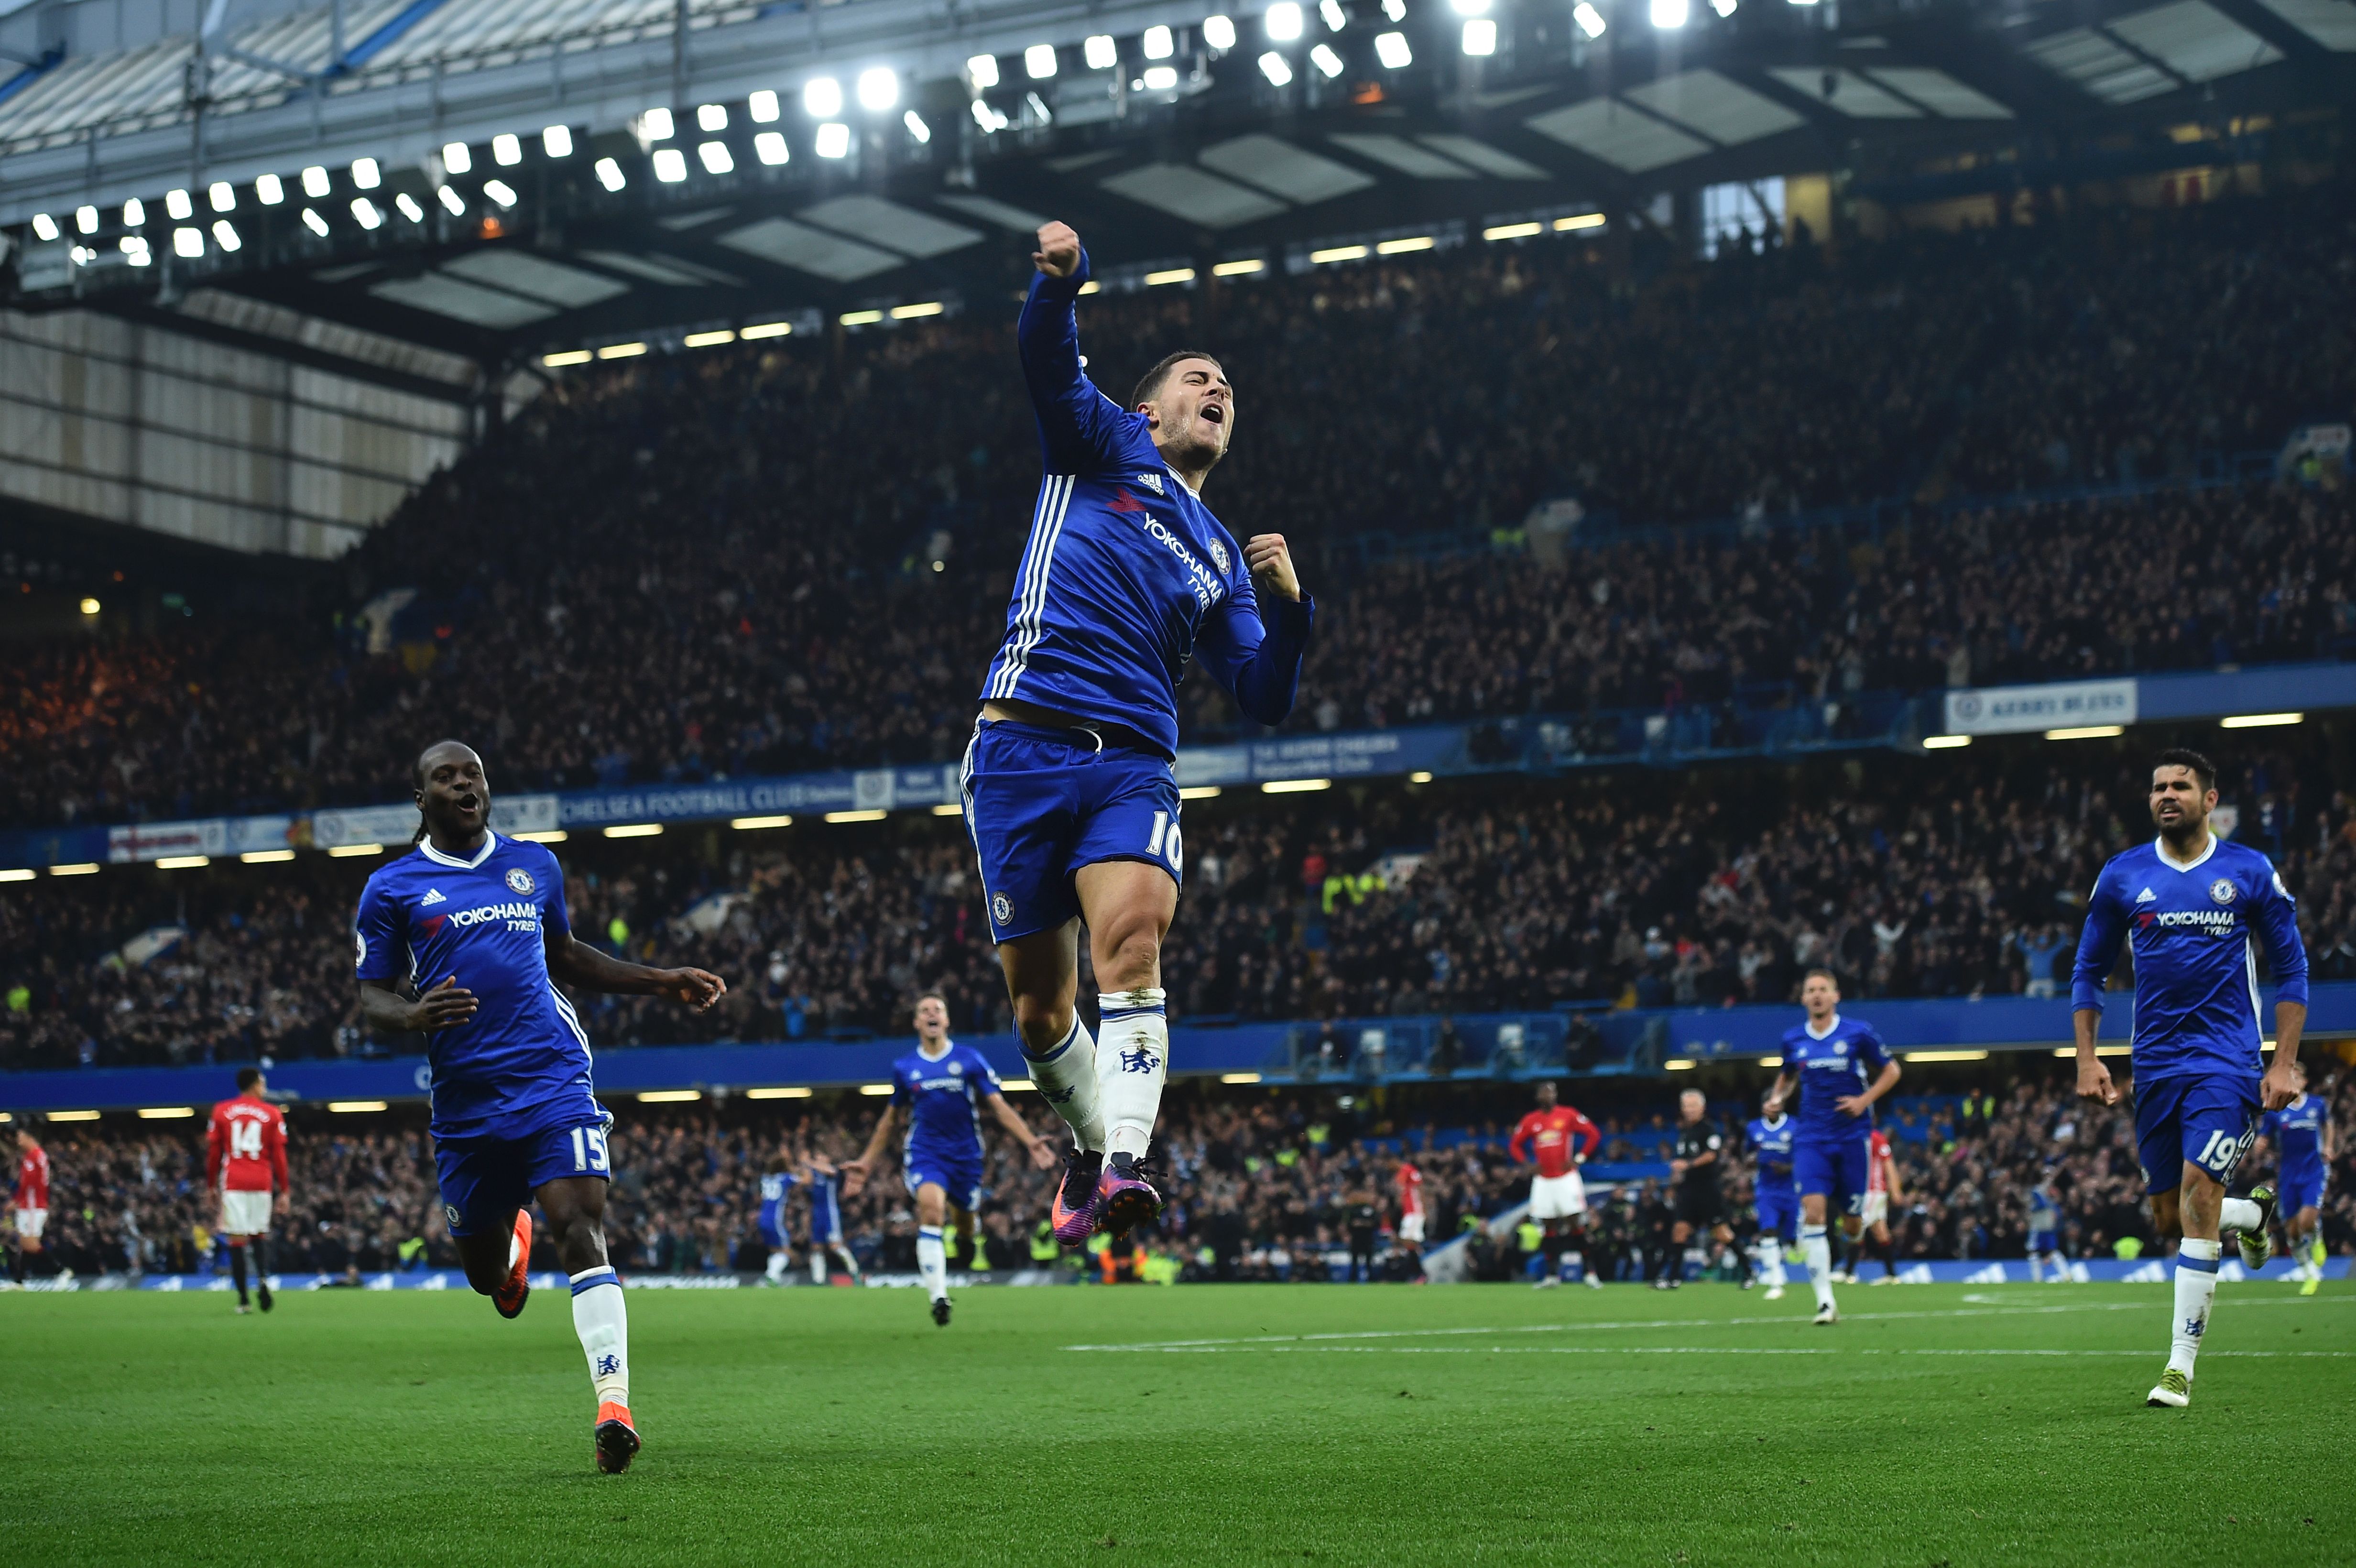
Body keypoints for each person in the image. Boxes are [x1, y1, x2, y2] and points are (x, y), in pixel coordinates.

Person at [963, 219, 1315, 1247]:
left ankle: (1126, 1159)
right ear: (1150, 410)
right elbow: (1045, 360)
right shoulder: (1102, 443)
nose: (1220, 391)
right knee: (1040, 1013)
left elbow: (1262, 694)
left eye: (1229, 390)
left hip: (1131, 766)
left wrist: (1293, 612)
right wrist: (1062, 285)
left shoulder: (1220, 555)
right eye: (1200, 380)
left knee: (1133, 946)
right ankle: (1091, 1149)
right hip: (1019, 746)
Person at [355, 740, 728, 1473]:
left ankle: (614, 1406)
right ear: (422, 800)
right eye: (446, 778)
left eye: (473, 774)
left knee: (583, 1228)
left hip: (550, 1078)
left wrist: (660, 980)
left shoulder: (534, 866)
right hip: (466, 1104)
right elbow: (372, 994)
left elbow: (568, 956)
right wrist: (413, 1014)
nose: (464, 784)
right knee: (486, 1276)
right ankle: (512, 1250)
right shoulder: (392, 888)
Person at [2070, 747, 2308, 1408]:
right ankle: (2252, 1214)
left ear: (2210, 799)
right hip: (2154, 1064)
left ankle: (2178, 1367)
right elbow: (2088, 970)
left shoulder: (2248, 871)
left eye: (2180, 785)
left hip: (2226, 1061)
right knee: (2168, 1215)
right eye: (2158, 787)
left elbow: (2292, 969)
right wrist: (2087, 1057)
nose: (2166, 795)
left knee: (2198, 1196)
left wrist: (2281, 1062)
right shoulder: (2123, 875)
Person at [841, 993, 1058, 1325]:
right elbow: (890, 1120)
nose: (932, 1014)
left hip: (966, 1157)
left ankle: (966, 1239)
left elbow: (998, 1106)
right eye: (925, 1010)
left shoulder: (969, 1059)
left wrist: (1030, 1141)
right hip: (926, 1153)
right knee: (931, 1211)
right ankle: (939, 1297)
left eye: (938, 1010)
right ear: (917, 1022)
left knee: (965, 1220)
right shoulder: (905, 1067)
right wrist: (867, 1162)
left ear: (947, 1020)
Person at [1764, 968, 1901, 1325]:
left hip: (1852, 1137)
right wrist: (1778, 1098)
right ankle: (1825, 1303)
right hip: (1811, 1137)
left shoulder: (1858, 1032)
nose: (1817, 995)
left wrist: (1864, 1101)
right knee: (1813, 1214)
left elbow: (1892, 1071)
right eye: (1811, 990)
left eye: (1823, 989)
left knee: (1853, 1224)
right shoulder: (1793, 1039)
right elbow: (1788, 1075)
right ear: (1803, 998)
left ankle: (1850, 1240)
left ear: (1836, 996)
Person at [205, 1067, 289, 1314]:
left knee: (237, 1240)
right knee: (259, 1234)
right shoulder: (272, 1113)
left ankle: (243, 1300)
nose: (264, 1088)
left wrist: (210, 1186)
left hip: (234, 1182)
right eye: (262, 1083)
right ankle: (262, 1278)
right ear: (254, 1085)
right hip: (261, 1181)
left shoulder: (222, 1110)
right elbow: (279, 1156)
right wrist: (285, 1190)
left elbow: (214, 1154)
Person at [1508, 1081, 1602, 1288]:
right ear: (1538, 1097)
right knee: (1547, 1225)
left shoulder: (1568, 1115)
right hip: (1543, 1180)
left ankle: (1590, 1272)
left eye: (1552, 1092)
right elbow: (1515, 1145)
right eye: (1545, 1092)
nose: (1549, 1096)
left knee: (1575, 1222)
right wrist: (1527, 1165)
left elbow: (1593, 1134)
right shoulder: (1531, 1120)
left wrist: (1579, 1158)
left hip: (1566, 1178)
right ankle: (1552, 1275)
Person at [2254, 1060, 2333, 1296]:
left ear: (2304, 1081)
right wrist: (2260, 1144)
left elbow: (2328, 1124)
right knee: (2293, 1231)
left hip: (2314, 1171)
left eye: (2297, 1076)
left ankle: (2316, 1238)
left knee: (2307, 1221)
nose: (2293, 1080)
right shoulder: (2277, 1111)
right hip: (2288, 1174)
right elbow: (2265, 1136)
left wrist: (2328, 1146)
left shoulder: (2317, 1105)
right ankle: (2309, 1272)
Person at [1660, 1089, 1736, 1289]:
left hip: (1708, 1188)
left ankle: (1748, 1269)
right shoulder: (1684, 1132)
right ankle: (1673, 1278)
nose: (1689, 1110)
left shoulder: (1708, 1129)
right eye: (1686, 1106)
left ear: (1702, 1108)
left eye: (1693, 1106)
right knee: (1679, 1231)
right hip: (1688, 1189)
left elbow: (1712, 1155)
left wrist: (1689, 1165)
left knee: (1721, 1233)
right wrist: (1677, 1176)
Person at [1744, 1095, 1797, 1300]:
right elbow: (1747, 1153)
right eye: (1769, 1104)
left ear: (1782, 1105)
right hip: (1766, 1190)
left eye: (1776, 1104)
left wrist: (1788, 1168)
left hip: (1792, 1190)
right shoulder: (1754, 1128)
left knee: (1792, 1238)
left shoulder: (1794, 1126)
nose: (1772, 1108)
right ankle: (1775, 1279)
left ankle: (1798, 1268)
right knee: (1768, 1230)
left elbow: (1805, 1156)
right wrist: (1751, 1160)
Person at [1855, 1127, 1904, 1284]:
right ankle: (1892, 1275)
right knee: (1881, 1232)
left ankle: (1848, 1272)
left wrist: (1895, 1190)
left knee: (1857, 1227)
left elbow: (1889, 1164)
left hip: (1873, 1191)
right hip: (1866, 1191)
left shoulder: (1876, 1138)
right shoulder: (1855, 1136)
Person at [803, 1153, 859, 1284]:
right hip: (817, 1215)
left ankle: (855, 1272)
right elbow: (805, 1181)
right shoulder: (814, 1174)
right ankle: (819, 1280)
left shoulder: (832, 1171)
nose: (819, 1158)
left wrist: (809, 1162)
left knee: (836, 1246)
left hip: (830, 1214)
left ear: (828, 1158)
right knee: (817, 1247)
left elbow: (831, 1171)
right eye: (817, 1156)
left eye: (821, 1156)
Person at [10, 1127, 48, 1285]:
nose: (18, 1142)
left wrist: (15, 1201)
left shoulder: (34, 1157)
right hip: (32, 1205)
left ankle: (61, 1270)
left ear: (30, 1138)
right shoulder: (39, 1156)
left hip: (32, 1206)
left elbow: (28, 1184)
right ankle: (19, 1281)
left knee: (30, 1244)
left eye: (21, 1138)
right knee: (25, 1244)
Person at [756, 1154, 796, 1284]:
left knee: (774, 1250)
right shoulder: (786, 1178)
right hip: (775, 1220)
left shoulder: (765, 1178)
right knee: (786, 1251)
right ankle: (771, 1275)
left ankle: (773, 1279)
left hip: (762, 1218)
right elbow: (807, 1180)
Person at [2026, 1169, 2067, 1284]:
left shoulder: (2046, 1195)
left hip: (2044, 1228)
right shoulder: (2038, 1192)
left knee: (2041, 1252)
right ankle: (2039, 1279)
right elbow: (2041, 1205)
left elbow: (2043, 1206)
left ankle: (2065, 1276)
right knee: (2039, 1253)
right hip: (2040, 1227)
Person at [1395, 1155, 1426, 1252]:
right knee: (1409, 1238)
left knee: (1410, 1238)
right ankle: (1414, 1255)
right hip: (1409, 1212)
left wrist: (1424, 1209)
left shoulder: (1409, 1171)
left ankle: (1417, 1255)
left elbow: (1420, 1186)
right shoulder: (1400, 1177)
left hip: (1414, 1211)